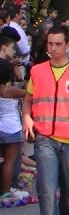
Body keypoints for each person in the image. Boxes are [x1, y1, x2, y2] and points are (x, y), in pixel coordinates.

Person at [22, 25, 69, 215]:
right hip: (45, 138)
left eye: (58, 44)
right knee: (46, 191)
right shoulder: (37, 71)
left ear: (67, 45)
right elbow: (28, 99)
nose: (53, 48)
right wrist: (27, 118)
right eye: (50, 44)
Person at [0, 58, 27, 201]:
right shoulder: (9, 90)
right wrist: (19, 76)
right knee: (9, 162)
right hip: (11, 129)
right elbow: (29, 92)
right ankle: (5, 192)